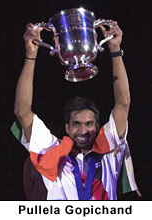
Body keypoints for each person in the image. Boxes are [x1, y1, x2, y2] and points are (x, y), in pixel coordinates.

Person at [11, 20, 140, 200]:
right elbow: (22, 111)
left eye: (89, 124)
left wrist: (115, 50)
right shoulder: (54, 152)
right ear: (67, 127)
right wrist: (30, 55)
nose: (82, 131)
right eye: (76, 124)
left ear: (97, 126)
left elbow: (123, 103)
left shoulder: (109, 150)